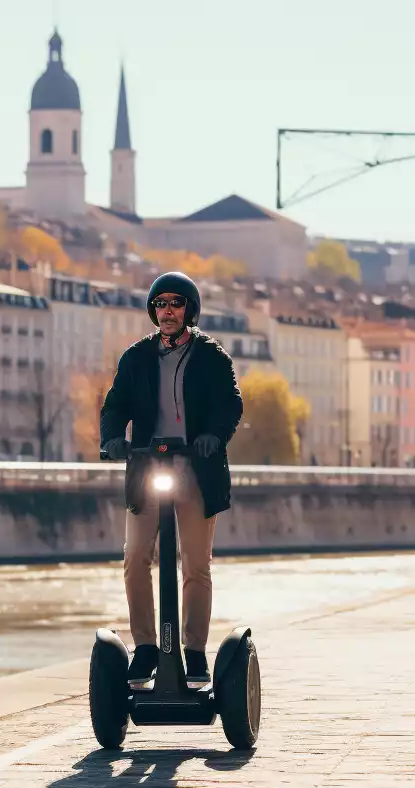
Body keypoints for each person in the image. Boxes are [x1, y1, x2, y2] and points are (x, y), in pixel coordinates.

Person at [99, 271, 243, 687]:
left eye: (176, 303)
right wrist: (113, 439)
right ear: (152, 311)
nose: (167, 311)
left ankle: (194, 650)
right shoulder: (136, 358)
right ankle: (146, 647)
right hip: (148, 468)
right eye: (160, 304)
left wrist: (213, 436)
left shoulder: (212, 357)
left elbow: (230, 404)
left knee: (196, 565)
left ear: (189, 310)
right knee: (134, 558)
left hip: (196, 469)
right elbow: (114, 406)